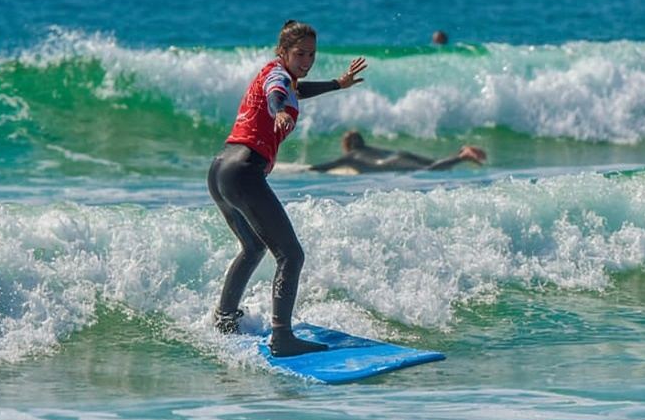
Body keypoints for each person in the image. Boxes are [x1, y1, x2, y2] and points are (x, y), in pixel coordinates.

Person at [208, 20, 367, 356]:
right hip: (243, 172)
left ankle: (224, 320)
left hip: (220, 170)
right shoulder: (277, 78)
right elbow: (278, 92)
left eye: (311, 54)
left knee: (253, 247)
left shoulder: (281, 74)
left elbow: (296, 89)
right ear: (282, 53)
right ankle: (282, 337)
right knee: (291, 255)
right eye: (299, 54)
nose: (307, 60)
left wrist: (338, 84)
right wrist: (278, 111)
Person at [310, 130, 486, 173]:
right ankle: (460, 151)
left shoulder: (351, 156)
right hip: (400, 154)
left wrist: (308, 169)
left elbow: (326, 167)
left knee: (431, 169)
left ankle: (463, 157)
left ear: (347, 145)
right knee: (433, 162)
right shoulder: (367, 149)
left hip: (392, 164)